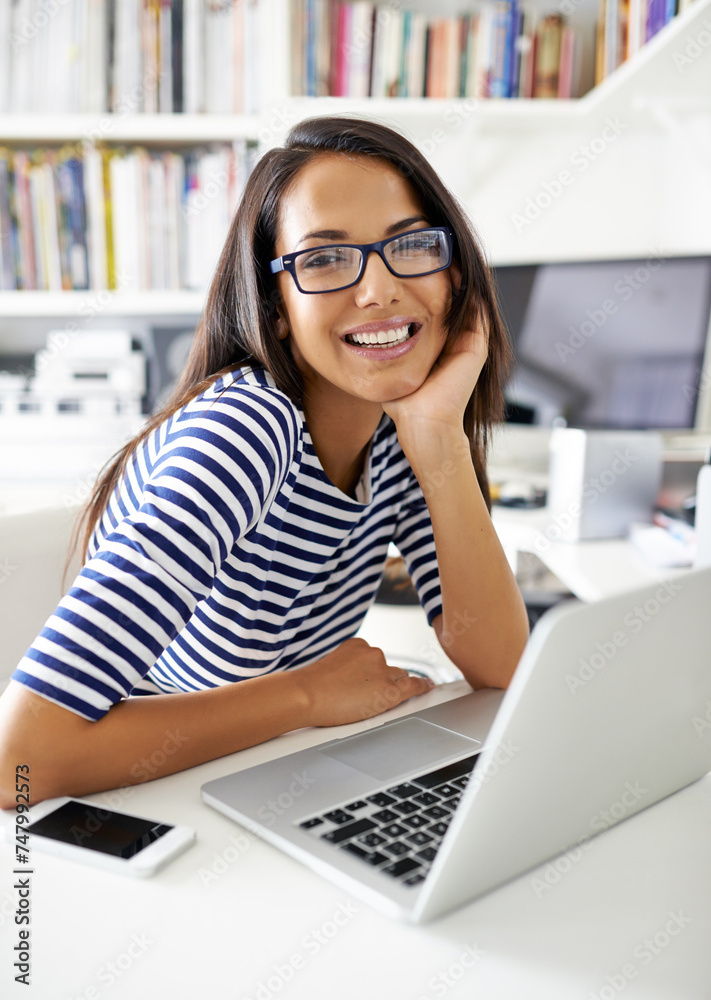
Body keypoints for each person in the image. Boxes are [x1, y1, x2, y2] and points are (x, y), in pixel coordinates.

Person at [0, 116, 529, 809]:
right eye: (324, 259)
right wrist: (306, 694)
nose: (378, 290)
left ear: (452, 271)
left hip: (279, 774)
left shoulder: (404, 428)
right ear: (275, 306)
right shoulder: (244, 433)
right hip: (150, 800)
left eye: (410, 245)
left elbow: (500, 664)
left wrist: (437, 440)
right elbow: (20, 762)